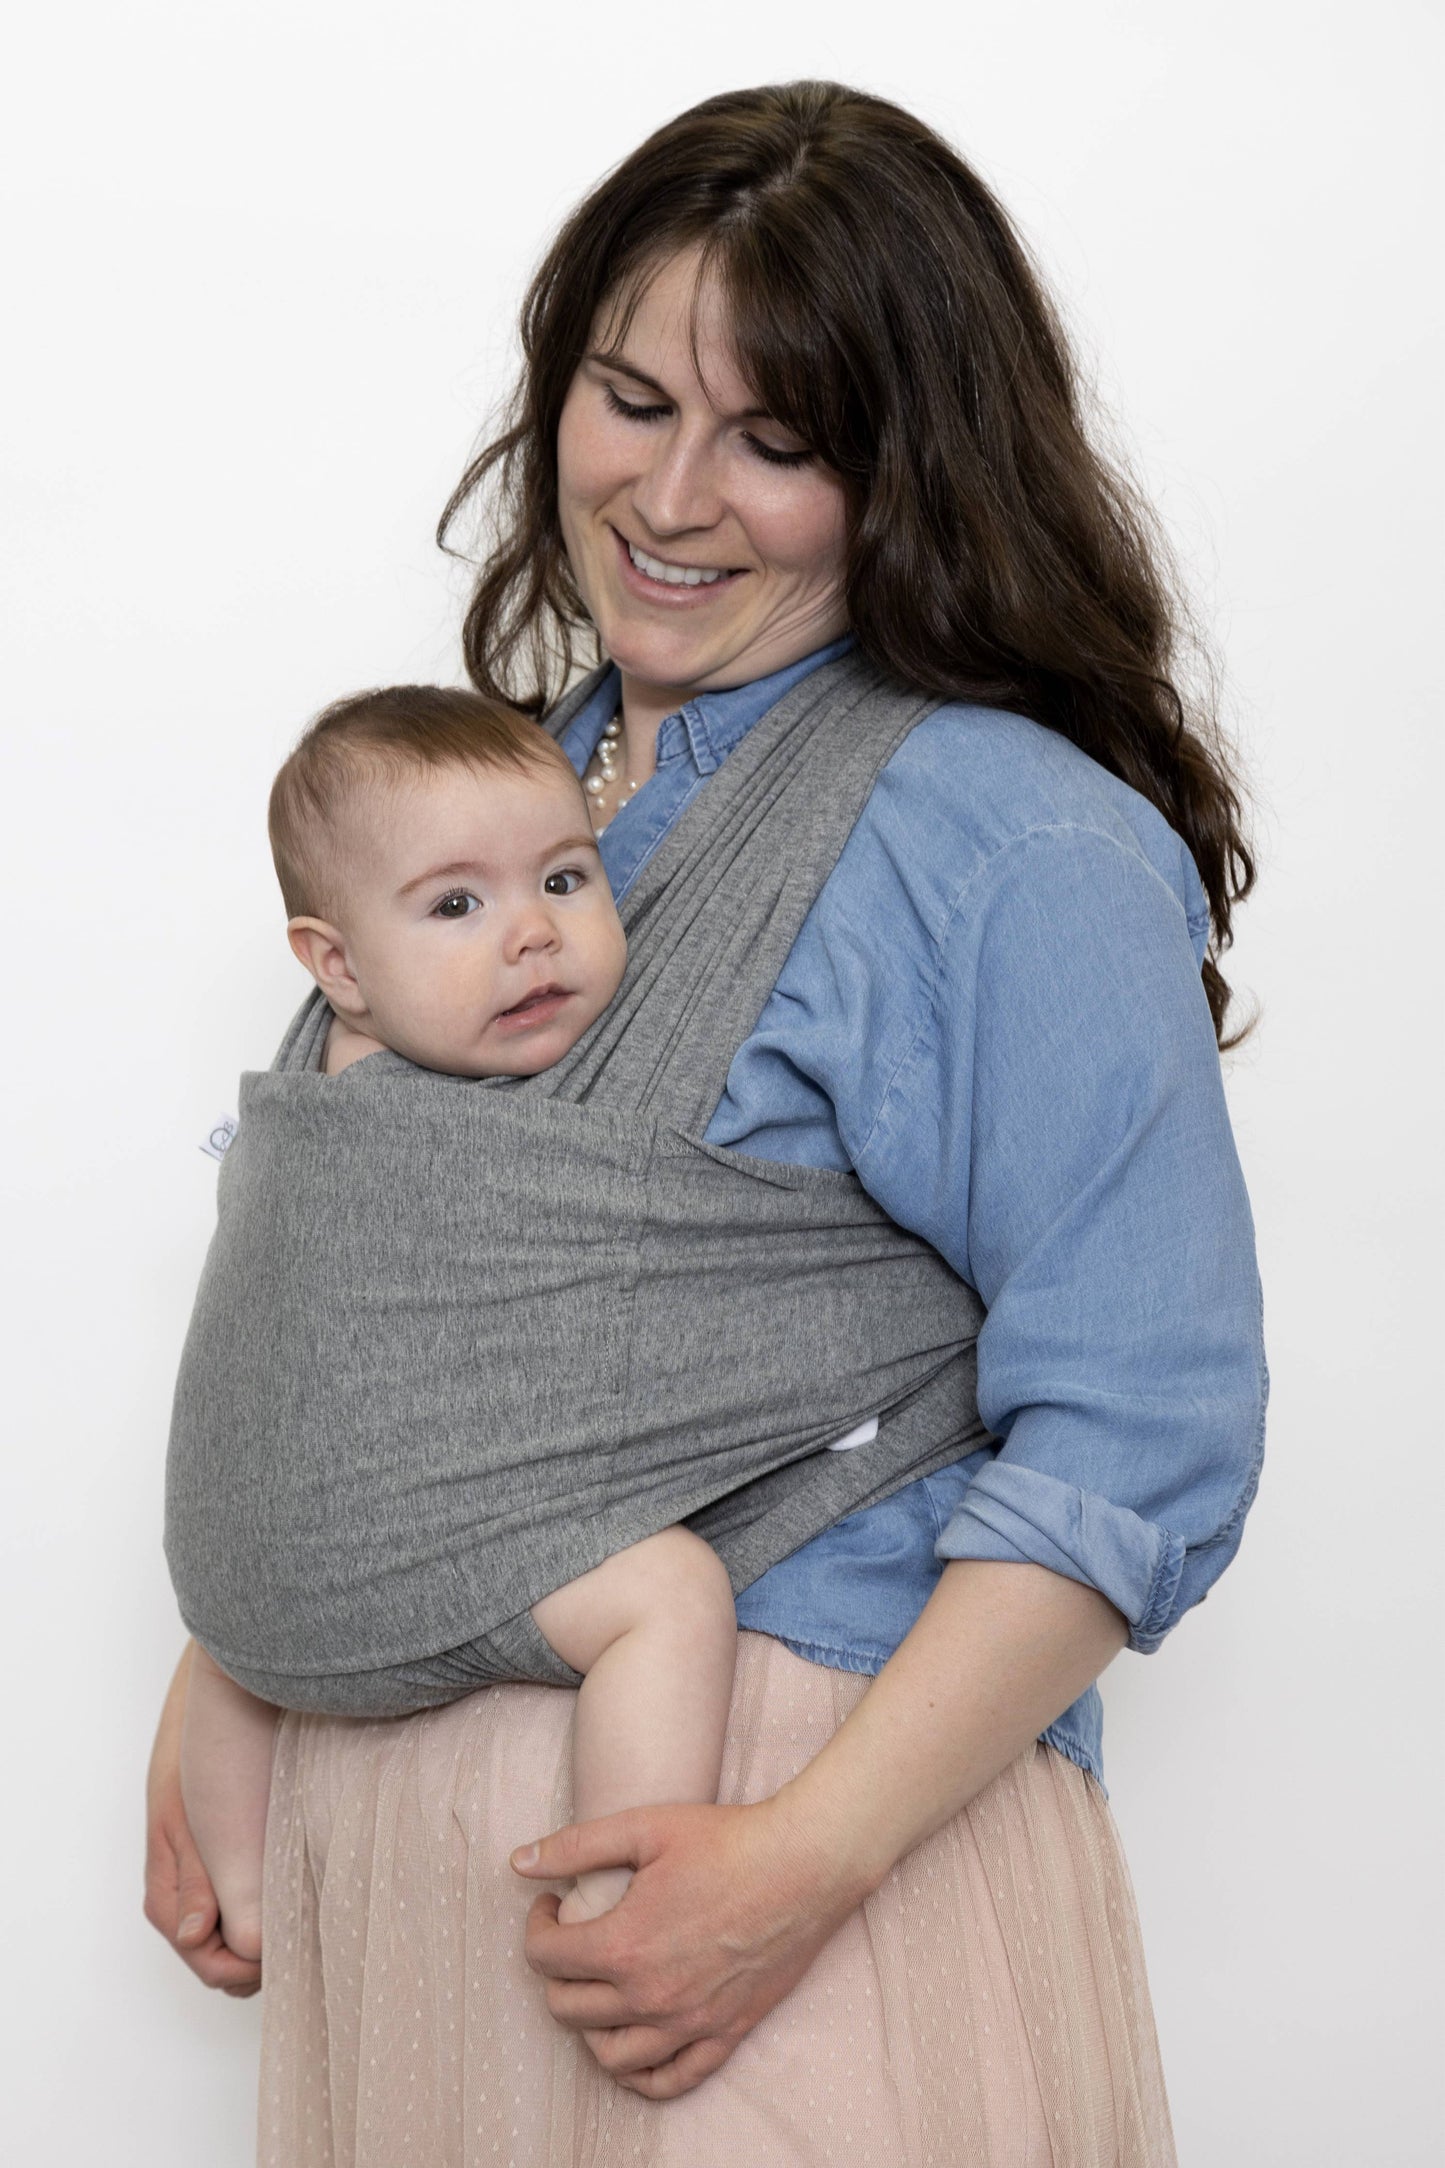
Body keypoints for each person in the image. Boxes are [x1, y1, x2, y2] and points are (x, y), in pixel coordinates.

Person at [145, 81, 1264, 2165]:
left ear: (901, 464)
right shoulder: (481, 809)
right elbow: (376, 1314)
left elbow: (1140, 1432)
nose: (668, 497)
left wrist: (794, 1866)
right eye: (626, 396)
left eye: (771, 437)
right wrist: (245, 1650)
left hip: (778, 1880)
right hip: (421, 1909)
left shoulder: (1003, 841)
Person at [178, 681, 743, 1955]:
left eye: (563, 878)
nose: (531, 936)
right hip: (349, 1547)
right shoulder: (350, 1131)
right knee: (670, 1592)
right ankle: (620, 1897)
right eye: (455, 905)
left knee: (238, 1629)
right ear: (338, 970)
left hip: (253, 1595)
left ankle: (250, 1903)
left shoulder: (343, 1057)